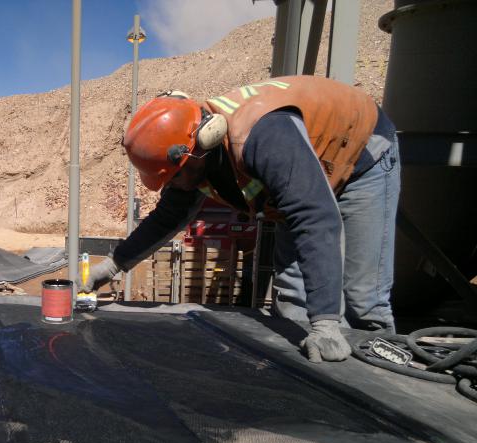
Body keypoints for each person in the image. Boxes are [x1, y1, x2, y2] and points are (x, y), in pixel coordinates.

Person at [83, 75, 400, 363]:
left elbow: (315, 216)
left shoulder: (261, 136)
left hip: (360, 153)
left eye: (175, 177)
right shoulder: (197, 158)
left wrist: (327, 322)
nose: (172, 186)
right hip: (299, 176)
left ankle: (385, 391)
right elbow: (168, 217)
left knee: (361, 300)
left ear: (205, 142)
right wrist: (113, 265)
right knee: (292, 302)